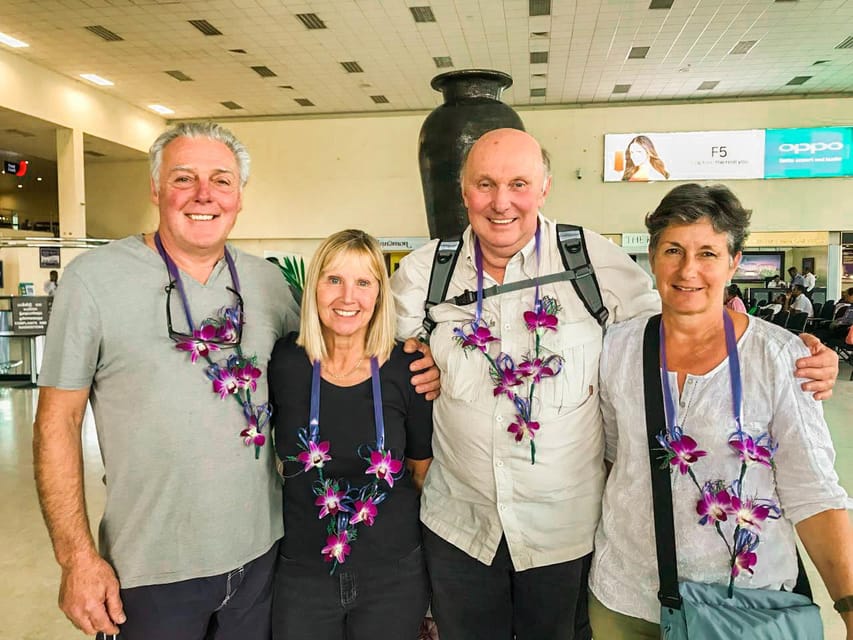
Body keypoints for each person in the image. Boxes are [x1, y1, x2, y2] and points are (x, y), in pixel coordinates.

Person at [391, 129, 839, 640]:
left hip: (566, 536)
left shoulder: (592, 262)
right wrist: (415, 361)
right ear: (463, 189)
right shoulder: (425, 272)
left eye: (518, 184)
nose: (501, 202)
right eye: (485, 184)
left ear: (544, 187)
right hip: (459, 527)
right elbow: (372, 351)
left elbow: (675, 327)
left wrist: (778, 352)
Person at [32, 122, 441, 640]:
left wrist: (417, 358)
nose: (204, 194)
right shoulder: (94, 280)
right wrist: (75, 558)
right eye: (184, 178)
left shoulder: (266, 285)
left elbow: (331, 345)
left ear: (240, 196)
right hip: (151, 570)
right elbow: (57, 421)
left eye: (222, 180)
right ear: (155, 188)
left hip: (262, 562)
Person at [588, 183, 853, 639]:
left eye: (708, 253)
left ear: (733, 262)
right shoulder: (617, 347)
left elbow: (813, 491)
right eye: (673, 250)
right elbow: (614, 460)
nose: (688, 269)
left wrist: (848, 604)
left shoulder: (779, 357)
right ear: (652, 257)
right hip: (625, 598)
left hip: (742, 607)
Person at [268, 229, 432, 639]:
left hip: (393, 576)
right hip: (302, 575)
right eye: (334, 279)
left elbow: (420, 472)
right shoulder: (284, 363)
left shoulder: (407, 370)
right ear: (314, 287)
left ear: (379, 294)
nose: (347, 297)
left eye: (363, 282)